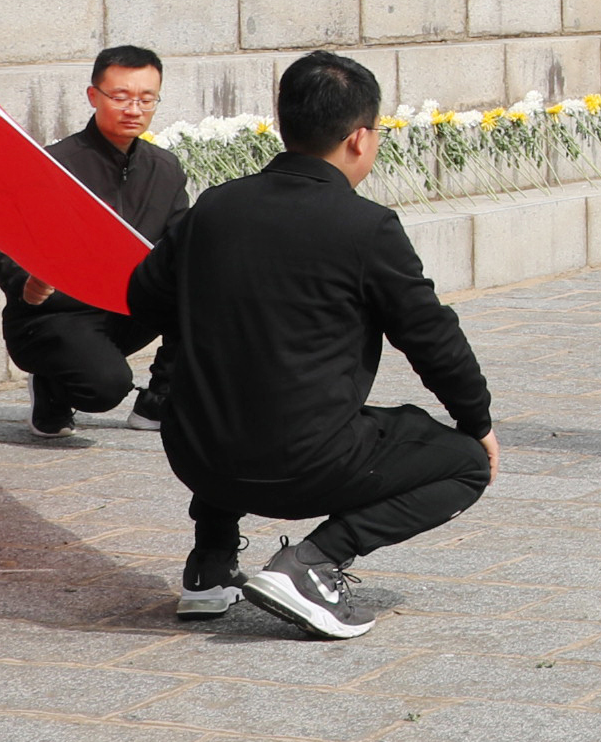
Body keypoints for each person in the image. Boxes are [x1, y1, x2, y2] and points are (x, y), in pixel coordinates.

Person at [124, 49, 494, 639]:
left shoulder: (215, 207)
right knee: (466, 466)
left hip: (195, 454)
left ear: (284, 125)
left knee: (237, 385)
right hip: (301, 468)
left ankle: (208, 566)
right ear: (358, 139)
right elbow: (431, 336)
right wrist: (477, 421)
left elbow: (143, 299)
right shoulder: (365, 227)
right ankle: (313, 563)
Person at [0, 45, 190, 440]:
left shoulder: (165, 169)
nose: (134, 108)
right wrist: (26, 283)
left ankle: (158, 400)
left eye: (146, 99)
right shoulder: (54, 165)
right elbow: (3, 245)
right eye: (120, 97)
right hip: (52, 316)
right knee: (104, 387)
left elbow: (179, 246)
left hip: (126, 306)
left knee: (201, 285)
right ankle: (52, 387)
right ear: (93, 96)